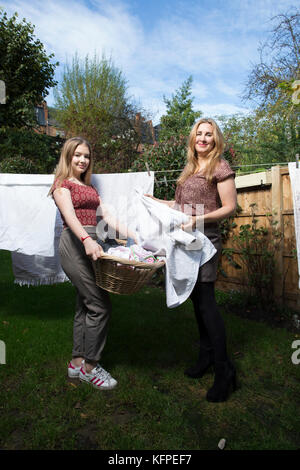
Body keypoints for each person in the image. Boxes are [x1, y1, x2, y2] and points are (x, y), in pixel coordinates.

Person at [146, 118, 237, 402]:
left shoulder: (219, 167)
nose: (203, 138)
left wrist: (199, 219)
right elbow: (177, 206)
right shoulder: (189, 170)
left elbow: (230, 207)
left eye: (209, 134)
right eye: (199, 133)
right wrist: (152, 200)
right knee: (197, 303)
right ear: (193, 138)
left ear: (215, 139)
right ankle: (205, 357)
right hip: (185, 244)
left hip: (205, 242)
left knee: (208, 304)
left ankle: (225, 373)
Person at [49, 137, 135, 390]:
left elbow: (106, 216)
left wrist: (135, 236)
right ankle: (91, 366)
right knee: (100, 306)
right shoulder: (61, 184)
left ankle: (77, 362)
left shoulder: (90, 188)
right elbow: (70, 216)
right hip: (76, 244)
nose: (82, 160)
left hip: (94, 243)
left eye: (86, 156)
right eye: (77, 155)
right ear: (68, 156)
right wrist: (87, 239)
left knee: (85, 305)